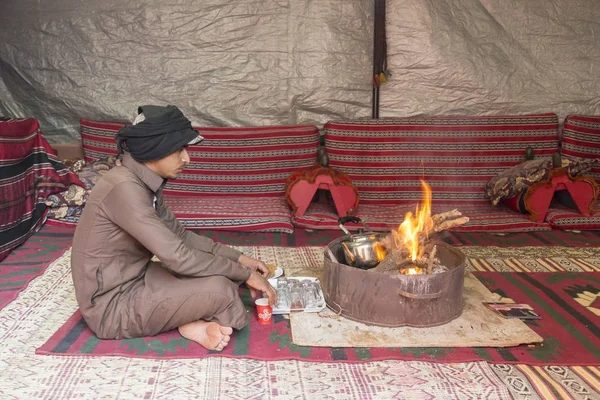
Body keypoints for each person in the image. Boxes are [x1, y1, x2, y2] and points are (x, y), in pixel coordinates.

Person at [71, 105, 277, 352]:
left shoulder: (141, 183)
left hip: (136, 278)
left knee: (219, 273)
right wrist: (245, 274)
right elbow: (180, 258)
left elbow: (180, 237)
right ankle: (188, 321)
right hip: (111, 307)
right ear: (154, 149)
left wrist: (241, 259)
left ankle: (189, 320)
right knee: (222, 289)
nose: (187, 158)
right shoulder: (125, 188)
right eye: (179, 150)